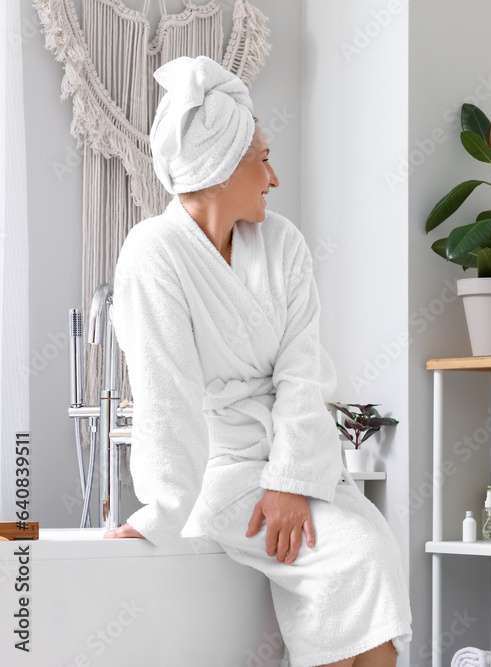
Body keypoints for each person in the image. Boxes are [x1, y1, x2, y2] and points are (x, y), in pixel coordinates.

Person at [103, 55, 411, 667]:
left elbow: (301, 368)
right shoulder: (152, 255)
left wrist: (291, 480)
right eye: (261, 160)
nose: (273, 178)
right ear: (217, 169)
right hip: (219, 467)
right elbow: (166, 394)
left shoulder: (283, 244)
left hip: (298, 454)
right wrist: (163, 510)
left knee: (374, 548)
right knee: (351, 552)